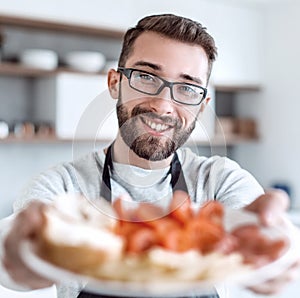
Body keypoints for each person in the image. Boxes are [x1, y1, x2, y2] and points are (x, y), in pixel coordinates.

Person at [0, 13, 299, 298]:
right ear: (115, 83)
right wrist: (17, 260)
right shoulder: (64, 187)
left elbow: (268, 233)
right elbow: (12, 247)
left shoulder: (218, 180)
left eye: (187, 88)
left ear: (202, 105)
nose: (163, 105)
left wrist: (280, 245)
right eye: (146, 76)